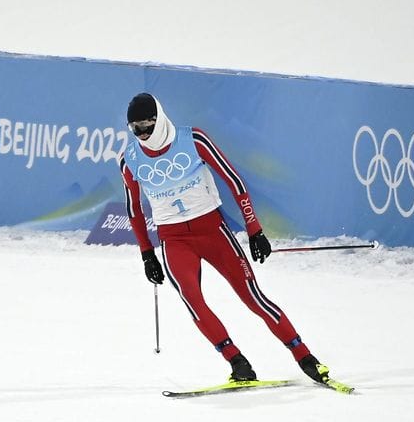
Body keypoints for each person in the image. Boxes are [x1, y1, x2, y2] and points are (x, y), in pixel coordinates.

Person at [119, 92, 332, 385]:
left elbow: (234, 180)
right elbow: (133, 210)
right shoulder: (129, 159)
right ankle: (237, 362)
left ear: (160, 118)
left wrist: (254, 229)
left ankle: (306, 357)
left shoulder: (193, 140)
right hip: (174, 239)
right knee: (193, 300)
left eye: (147, 125)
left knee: (252, 298)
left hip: (212, 231)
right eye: (135, 129)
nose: (143, 134)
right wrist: (147, 254)